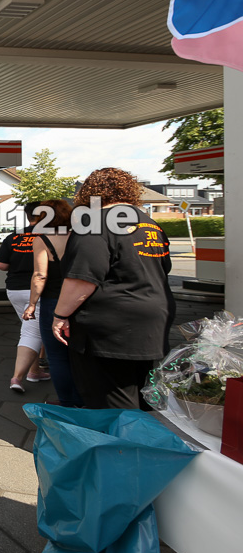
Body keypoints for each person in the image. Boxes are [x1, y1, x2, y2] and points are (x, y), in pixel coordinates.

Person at [51, 168, 175, 410]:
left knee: (112, 401)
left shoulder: (95, 223)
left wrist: (60, 315)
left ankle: (122, 435)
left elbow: (83, 279)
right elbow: (163, 267)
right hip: (153, 321)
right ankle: (143, 432)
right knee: (143, 394)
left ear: (89, 193)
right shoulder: (149, 223)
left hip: (109, 329)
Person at [22, 199, 83, 407]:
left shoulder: (42, 240)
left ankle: (68, 402)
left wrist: (32, 304)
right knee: (79, 353)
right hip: (80, 299)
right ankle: (84, 399)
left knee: (57, 355)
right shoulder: (80, 237)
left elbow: (40, 275)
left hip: (53, 301)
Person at [0, 202, 51, 393]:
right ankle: (18, 377)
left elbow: (0, 264)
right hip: (38, 290)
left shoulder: (14, 236)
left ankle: (35, 371)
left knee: (32, 329)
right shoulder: (49, 236)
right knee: (32, 333)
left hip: (14, 290)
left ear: (27, 216)